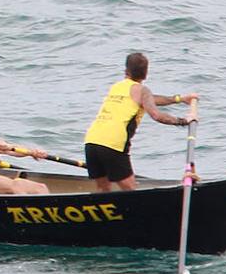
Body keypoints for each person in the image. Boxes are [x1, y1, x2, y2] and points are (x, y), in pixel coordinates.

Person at [84, 53, 197, 191]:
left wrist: (179, 99)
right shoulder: (142, 91)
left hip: (91, 141)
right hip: (113, 145)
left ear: (126, 70)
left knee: (102, 189)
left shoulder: (116, 87)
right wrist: (184, 121)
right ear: (146, 73)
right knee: (130, 189)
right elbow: (156, 115)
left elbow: (148, 100)